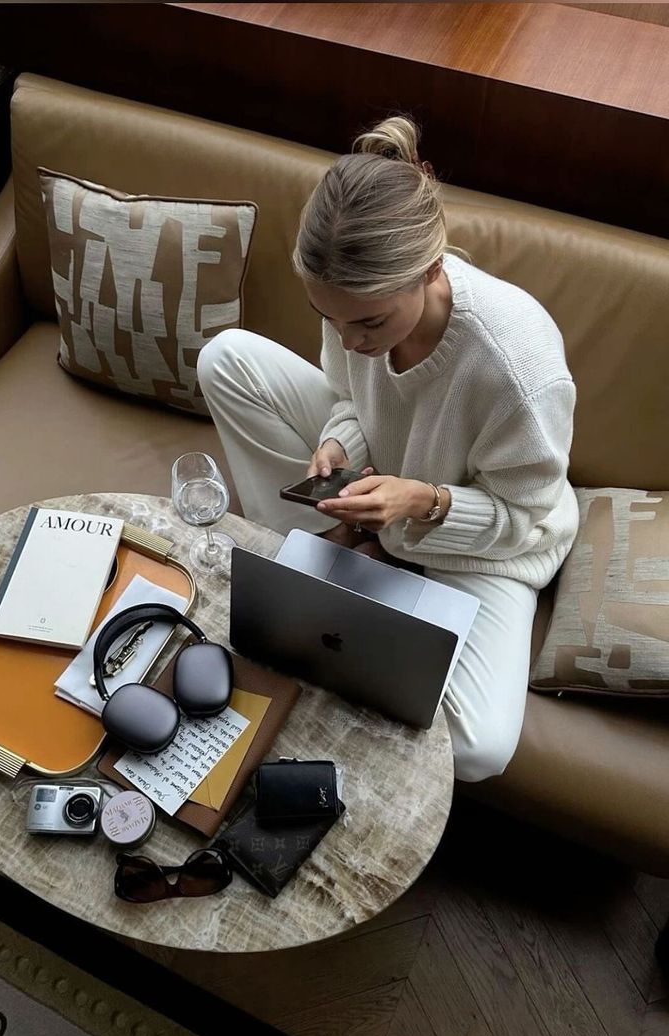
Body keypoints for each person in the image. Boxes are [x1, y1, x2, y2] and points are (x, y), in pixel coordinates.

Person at [197, 116, 579, 783]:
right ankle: (332, 553)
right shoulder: (354, 316)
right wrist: (337, 442)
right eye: (329, 319)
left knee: (481, 746)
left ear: (431, 270)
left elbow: (525, 518)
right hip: (387, 487)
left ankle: (343, 570)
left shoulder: (518, 370)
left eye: (369, 322)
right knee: (228, 358)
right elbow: (347, 394)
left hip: (485, 542)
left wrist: (423, 503)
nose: (350, 342)